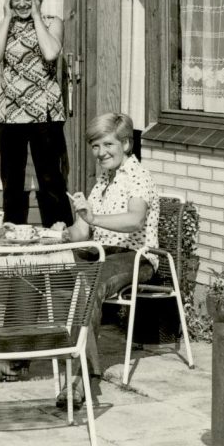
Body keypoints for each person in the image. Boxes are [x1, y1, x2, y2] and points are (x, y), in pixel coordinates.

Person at [58, 112, 159, 409]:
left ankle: (82, 377)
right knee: (39, 267)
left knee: (88, 284)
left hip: (133, 256)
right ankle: (11, 361)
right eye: (95, 146)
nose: (100, 152)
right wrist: (62, 233)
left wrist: (94, 219)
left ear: (125, 144)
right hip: (99, 252)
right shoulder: (102, 179)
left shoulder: (138, 176)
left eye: (107, 145)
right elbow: (82, 232)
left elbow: (134, 220)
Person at [0, 0, 73, 229]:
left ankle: (60, 235)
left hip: (45, 113)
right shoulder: (4, 26)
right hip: (10, 113)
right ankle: (13, 235)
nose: (22, 4)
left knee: (50, 179)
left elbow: (50, 52)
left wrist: (36, 16)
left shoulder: (52, 23)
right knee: (12, 180)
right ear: (8, 0)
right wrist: (6, 18)